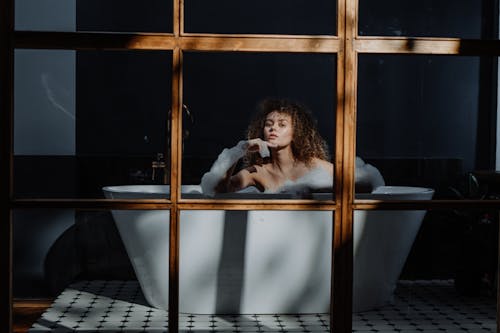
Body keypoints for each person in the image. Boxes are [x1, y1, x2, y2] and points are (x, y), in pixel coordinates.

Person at [200, 98, 334, 196]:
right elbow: (218, 191)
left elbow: (351, 185)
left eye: (282, 125)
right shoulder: (257, 172)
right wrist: (240, 149)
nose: (273, 128)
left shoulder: (315, 166)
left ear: (296, 133)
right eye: (269, 124)